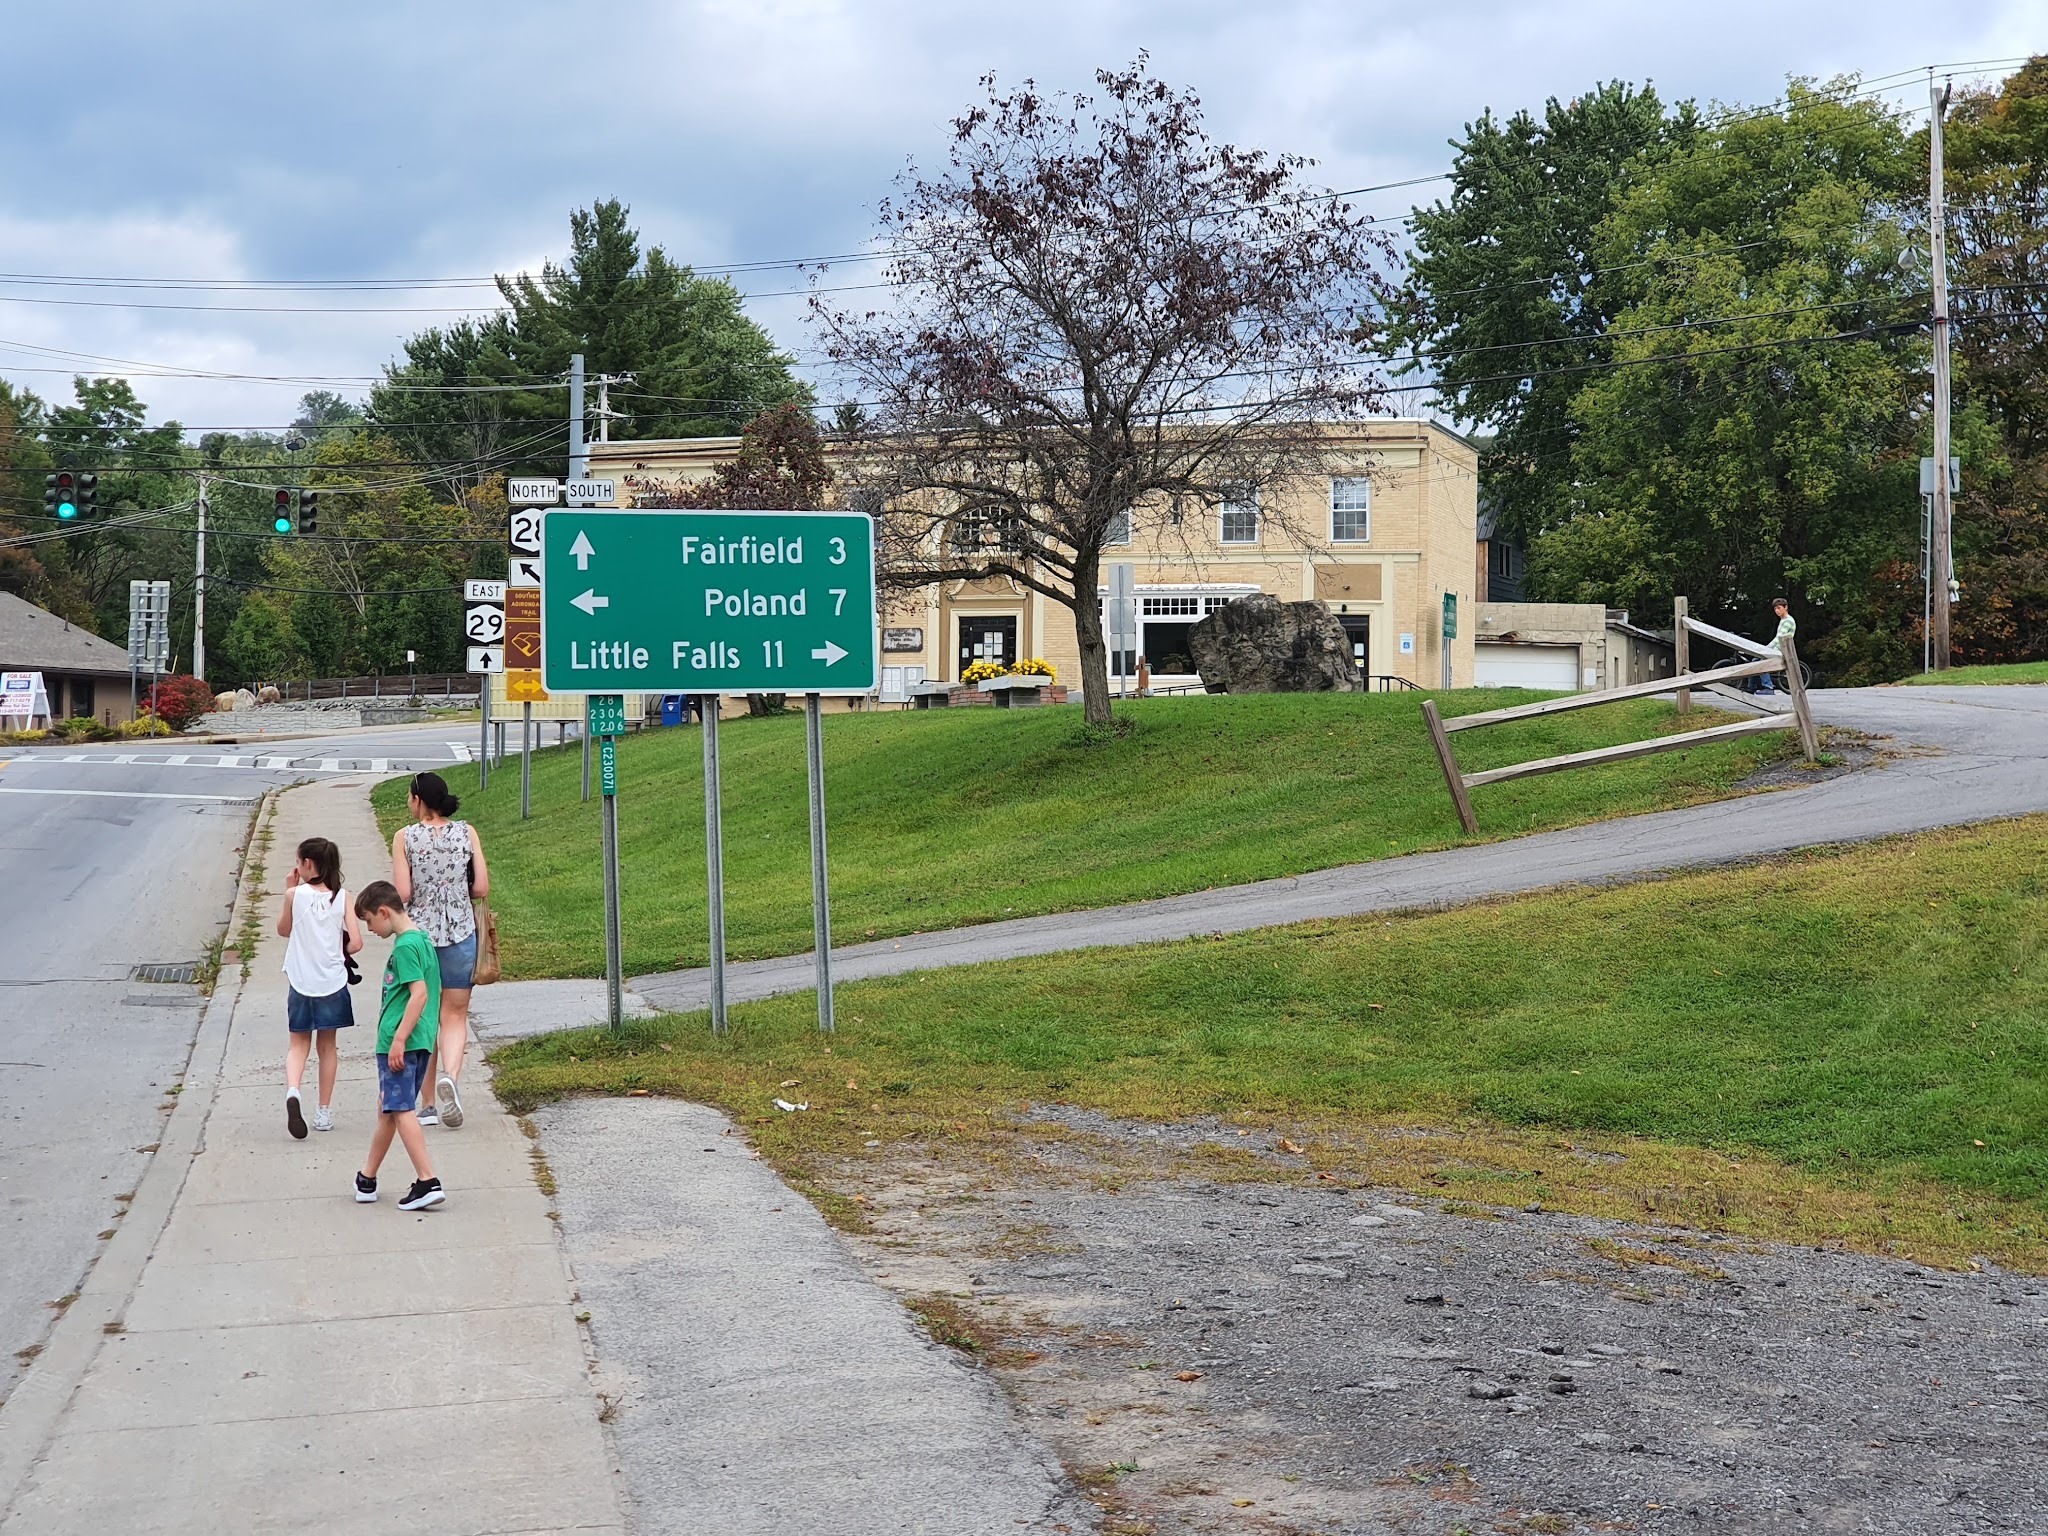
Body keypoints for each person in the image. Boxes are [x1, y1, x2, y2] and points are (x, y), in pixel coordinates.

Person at [390, 771, 487, 1130]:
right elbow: (481, 887)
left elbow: (402, 892)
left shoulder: (404, 838)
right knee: (456, 1015)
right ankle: (452, 1078)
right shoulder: (467, 832)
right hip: (462, 933)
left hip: (421, 939)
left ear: (417, 799)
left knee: (425, 1017)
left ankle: (428, 1104)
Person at [352, 881, 446, 1210]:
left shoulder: (405, 946)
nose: (370, 929)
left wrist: (398, 1040)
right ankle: (367, 1177)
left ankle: (427, 1180)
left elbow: (419, 994)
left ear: (384, 912)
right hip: (419, 1039)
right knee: (388, 1108)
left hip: (401, 1041)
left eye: (369, 921)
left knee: (402, 1110)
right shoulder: (421, 939)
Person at [276, 836, 362, 1138]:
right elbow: (357, 942)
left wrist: (289, 888)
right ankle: (323, 1112)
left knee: (298, 1045)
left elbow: (283, 930)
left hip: (300, 980)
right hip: (332, 981)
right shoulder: (343, 897)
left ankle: (294, 1090)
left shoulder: (293, 895)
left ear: (307, 865)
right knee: (327, 1048)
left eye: (298, 862)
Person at [1758, 597, 1796, 694]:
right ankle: (1751, 687)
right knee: (1755, 660)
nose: (1777, 610)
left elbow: (1779, 638)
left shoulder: (1787, 621)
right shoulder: (1783, 620)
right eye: (1775, 609)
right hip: (1778, 648)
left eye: (1779, 608)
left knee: (1762, 661)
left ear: (1786, 607)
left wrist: (1767, 648)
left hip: (1781, 650)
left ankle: (1768, 687)